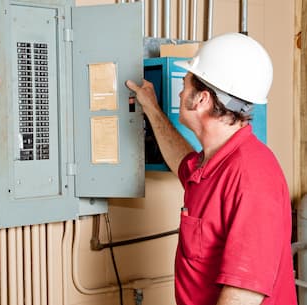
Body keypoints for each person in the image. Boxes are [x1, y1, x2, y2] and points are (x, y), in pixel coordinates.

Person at [126, 33, 297, 305]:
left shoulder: (251, 177)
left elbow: (243, 295)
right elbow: (182, 160)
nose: (180, 93)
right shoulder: (211, 164)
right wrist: (152, 108)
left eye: (185, 86)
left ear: (201, 99)